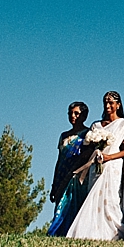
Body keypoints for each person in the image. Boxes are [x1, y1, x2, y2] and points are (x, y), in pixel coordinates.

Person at [67, 91, 124, 241]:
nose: (108, 105)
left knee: (110, 200)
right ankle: (91, 231)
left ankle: (113, 233)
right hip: (95, 165)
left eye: (111, 102)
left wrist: (109, 157)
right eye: (105, 102)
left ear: (118, 105)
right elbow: (86, 148)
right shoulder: (96, 125)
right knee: (93, 196)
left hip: (113, 166)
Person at [47, 101, 92, 237]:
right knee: (60, 207)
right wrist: (54, 183)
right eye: (70, 113)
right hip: (62, 175)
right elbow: (59, 158)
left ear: (84, 116)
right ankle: (56, 234)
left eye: (76, 113)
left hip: (77, 177)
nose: (73, 116)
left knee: (73, 206)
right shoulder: (64, 136)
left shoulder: (87, 134)